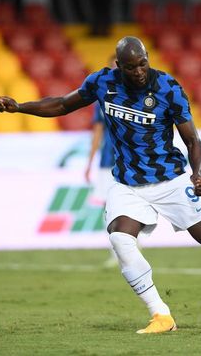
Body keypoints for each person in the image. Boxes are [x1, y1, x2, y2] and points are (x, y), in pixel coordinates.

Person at [0, 36, 201, 334]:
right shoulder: (103, 83)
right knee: (121, 239)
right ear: (118, 66)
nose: (138, 71)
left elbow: (192, 139)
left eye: (142, 64)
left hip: (171, 179)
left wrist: (198, 173)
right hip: (127, 183)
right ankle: (161, 314)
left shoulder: (168, 88)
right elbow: (61, 104)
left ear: (147, 58)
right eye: (130, 67)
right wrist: (19, 107)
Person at [84, 55, 120, 267]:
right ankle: (117, 250)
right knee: (109, 206)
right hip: (109, 160)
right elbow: (97, 130)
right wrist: (89, 162)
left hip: (132, 161)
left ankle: (128, 245)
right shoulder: (103, 96)